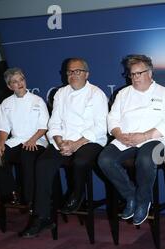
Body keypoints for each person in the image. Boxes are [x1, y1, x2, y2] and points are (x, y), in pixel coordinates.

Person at [21, 58, 108, 238]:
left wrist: (75, 144)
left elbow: (100, 127)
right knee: (43, 164)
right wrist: (60, 142)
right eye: (70, 72)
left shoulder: (96, 93)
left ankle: (77, 194)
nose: (73, 75)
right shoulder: (60, 93)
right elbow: (54, 122)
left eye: (77, 71)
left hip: (89, 141)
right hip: (63, 141)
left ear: (86, 74)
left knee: (81, 160)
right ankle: (42, 217)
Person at [98, 54, 165, 226]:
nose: (135, 77)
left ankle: (143, 201)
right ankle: (130, 196)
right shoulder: (123, 94)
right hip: (125, 138)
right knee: (105, 159)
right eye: (132, 74)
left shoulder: (164, 93)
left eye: (139, 73)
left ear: (150, 73)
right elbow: (112, 118)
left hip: (155, 139)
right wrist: (118, 134)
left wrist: (144, 136)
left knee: (145, 158)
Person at [0, 68, 49, 208]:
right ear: (9, 86)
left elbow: (44, 126)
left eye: (21, 79)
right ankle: (11, 192)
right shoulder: (5, 103)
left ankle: (29, 198)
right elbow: (3, 128)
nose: (19, 83)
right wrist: (0, 144)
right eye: (15, 82)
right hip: (16, 140)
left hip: (37, 140)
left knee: (27, 156)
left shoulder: (38, 100)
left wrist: (33, 140)